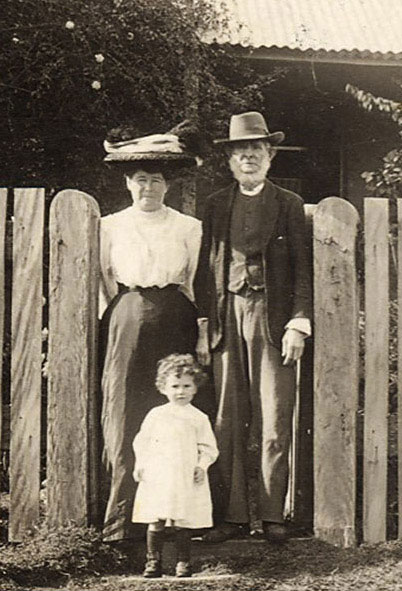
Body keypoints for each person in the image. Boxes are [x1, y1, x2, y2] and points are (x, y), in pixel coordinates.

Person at [195, 111, 312, 543]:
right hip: (228, 314)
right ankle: (234, 516)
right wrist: (205, 326)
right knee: (228, 418)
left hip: (273, 317)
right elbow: (206, 271)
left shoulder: (288, 204)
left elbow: (303, 268)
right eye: (240, 153)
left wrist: (298, 322)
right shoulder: (215, 204)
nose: (248, 158)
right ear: (229, 161)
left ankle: (272, 513)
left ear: (269, 158)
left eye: (256, 152)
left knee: (276, 415)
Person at [99, 125, 203, 542]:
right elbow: (104, 278)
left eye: (156, 180)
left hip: (175, 315)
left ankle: (176, 522)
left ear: (168, 185)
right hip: (127, 312)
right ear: (127, 183)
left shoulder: (188, 227)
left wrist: (195, 329)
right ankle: (120, 525)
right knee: (124, 412)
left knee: (175, 412)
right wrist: (126, 308)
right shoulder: (110, 225)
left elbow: (193, 281)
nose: (148, 187)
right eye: (140, 179)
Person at [132, 354, 218, 578]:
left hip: (184, 475)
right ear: (163, 388)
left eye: (187, 386)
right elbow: (141, 441)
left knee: (183, 519)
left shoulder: (198, 418)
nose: (181, 391)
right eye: (175, 386)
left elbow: (209, 447)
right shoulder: (156, 415)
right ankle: (153, 562)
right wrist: (141, 464)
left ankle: (183, 562)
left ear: (195, 388)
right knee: (156, 517)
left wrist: (202, 466)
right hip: (159, 474)